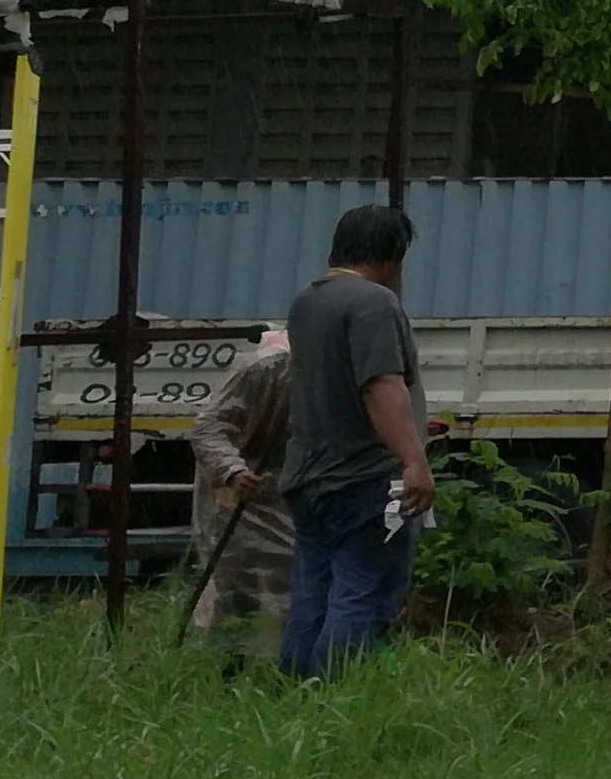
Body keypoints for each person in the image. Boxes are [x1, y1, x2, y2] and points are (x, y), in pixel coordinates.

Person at [271, 204, 430, 678]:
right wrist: (413, 461)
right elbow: (380, 386)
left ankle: (292, 701)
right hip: (365, 479)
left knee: (312, 599)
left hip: (308, 477)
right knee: (363, 595)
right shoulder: (374, 303)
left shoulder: (308, 300)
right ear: (393, 256)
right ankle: (332, 704)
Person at [180, 321, 297, 667]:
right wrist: (232, 471)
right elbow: (210, 428)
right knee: (237, 588)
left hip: (287, 496)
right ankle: (229, 670)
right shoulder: (267, 370)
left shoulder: (335, 368)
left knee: (291, 590)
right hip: (240, 496)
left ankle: (280, 668)